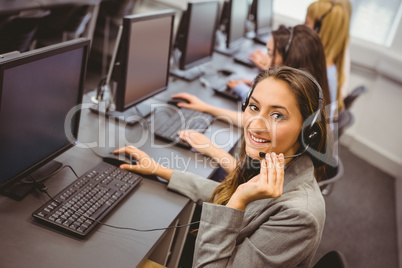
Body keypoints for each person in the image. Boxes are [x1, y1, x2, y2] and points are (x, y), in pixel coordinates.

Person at [114, 66, 329, 267]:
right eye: (254, 107)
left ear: (308, 131)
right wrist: (160, 171)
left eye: (277, 115)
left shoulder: (299, 217)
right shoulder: (279, 162)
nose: (255, 124)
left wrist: (239, 200)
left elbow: (237, 198)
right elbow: (227, 191)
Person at [172, 25, 331, 174]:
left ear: (289, 60)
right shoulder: (314, 97)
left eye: (269, 53)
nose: (266, 60)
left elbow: (250, 179)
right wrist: (206, 108)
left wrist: (211, 149)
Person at [305, 0, 350, 114]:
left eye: (306, 23)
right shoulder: (328, 66)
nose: (302, 27)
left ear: (318, 30)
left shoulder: (317, 72)